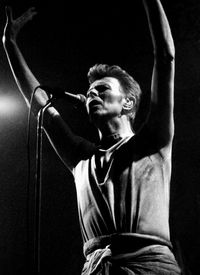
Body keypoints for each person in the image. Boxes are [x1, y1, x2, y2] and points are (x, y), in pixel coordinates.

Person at [2, 0, 182, 274]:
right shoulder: (81, 158)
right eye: (91, 92)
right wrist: (9, 45)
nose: (93, 94)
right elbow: (38, 104)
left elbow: (166, 57)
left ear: (128, 103)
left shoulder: (151, 142)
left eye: (103, 89)